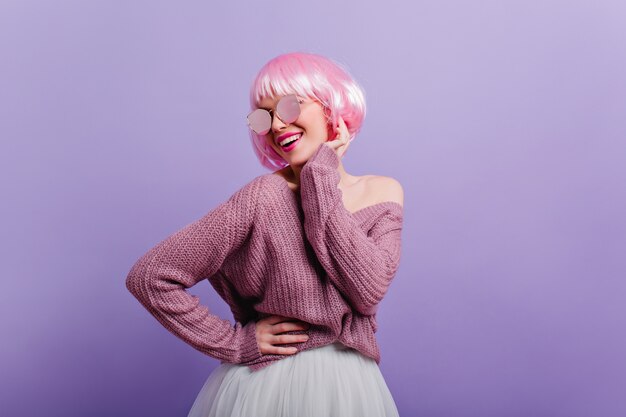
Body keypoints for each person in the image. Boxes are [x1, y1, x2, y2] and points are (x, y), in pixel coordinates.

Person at [126, 51, 404, 417]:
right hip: (271, 386)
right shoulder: (261, 197)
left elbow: (366, 292)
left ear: (330, 107)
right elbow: (149, 276)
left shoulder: (382, 191)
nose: (275, 126)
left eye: (290, 106)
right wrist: (235, 344)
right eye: (264, 116)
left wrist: (319, 177)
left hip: (350, 387)